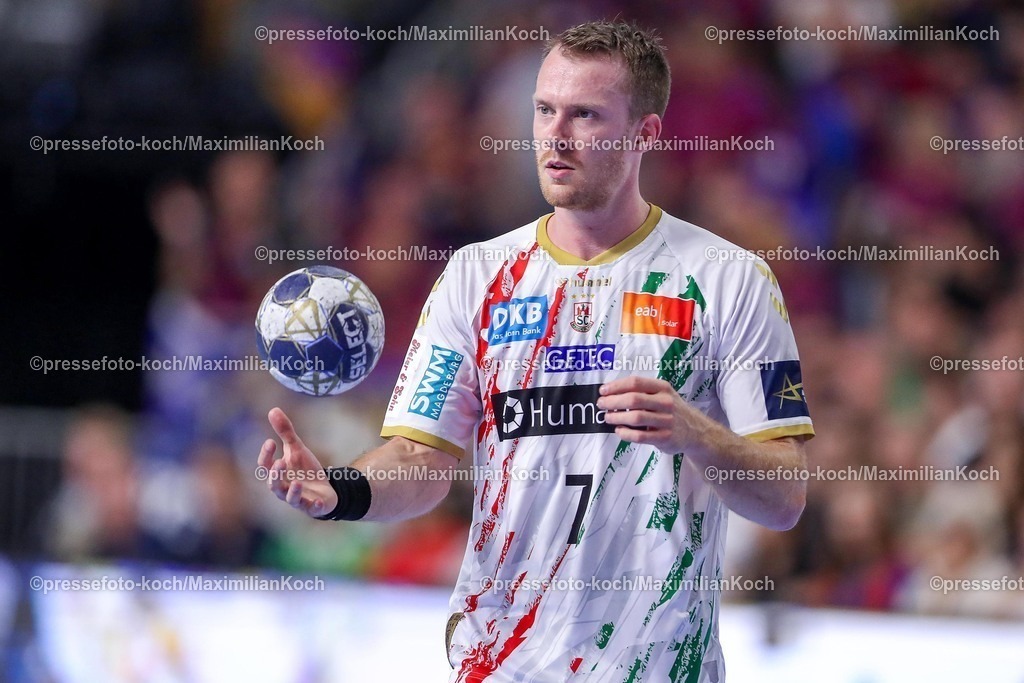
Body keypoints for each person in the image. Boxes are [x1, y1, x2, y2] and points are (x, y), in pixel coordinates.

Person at [258, 20, 814, 682]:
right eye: (545, 109)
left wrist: (694, 432)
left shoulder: (729, 281)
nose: (555, 134)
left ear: (645, 133)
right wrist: (341, 488)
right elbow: (421, 459)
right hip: (501, 666)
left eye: (585, 115)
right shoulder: (476, 275)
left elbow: (785, 494)